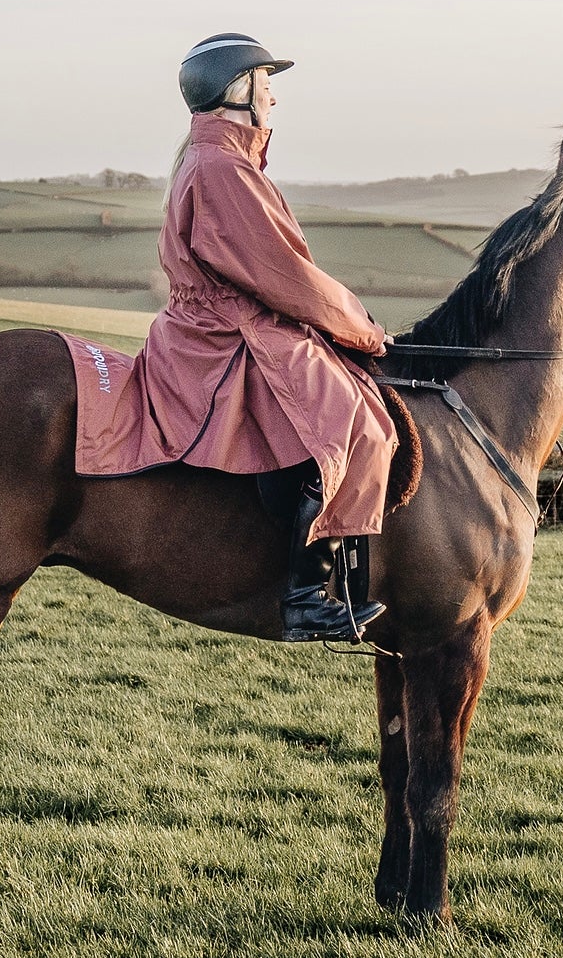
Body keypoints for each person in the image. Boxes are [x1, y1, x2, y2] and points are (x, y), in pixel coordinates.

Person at [64, 33, 397, 643]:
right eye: (267, 82)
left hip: (225, 324)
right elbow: (283, 275)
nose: (275, 96)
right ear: (239, 90)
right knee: (347, 419)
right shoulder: (222, 168)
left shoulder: (220, 160)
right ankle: (304, 596)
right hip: (229, 335)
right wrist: (362, 330)